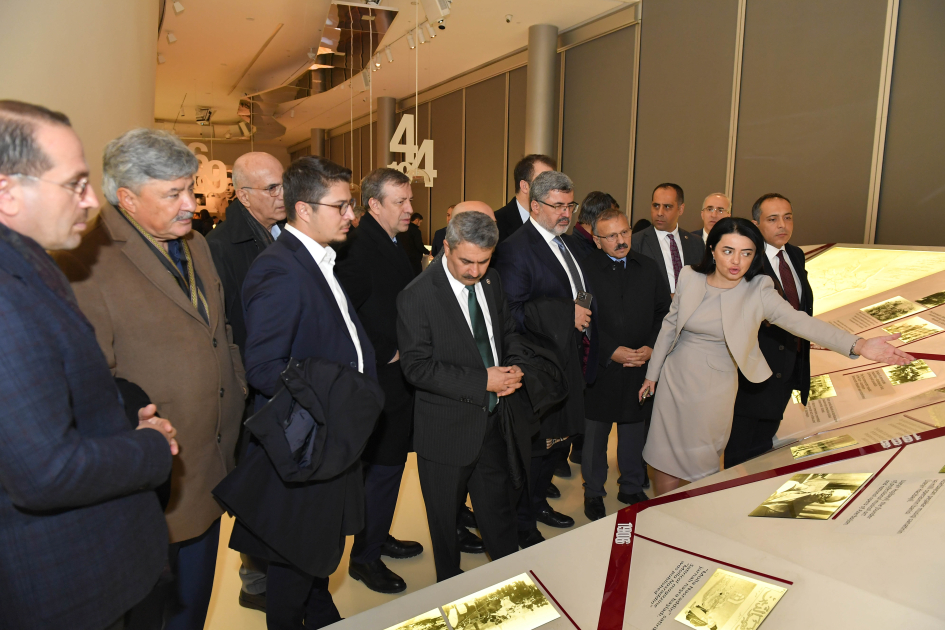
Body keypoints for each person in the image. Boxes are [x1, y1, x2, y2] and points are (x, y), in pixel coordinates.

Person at [54, 128, 247, 629]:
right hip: (152, 482)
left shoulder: (197, 245)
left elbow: (219, 330)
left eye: (190, 189)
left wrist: (237, 390)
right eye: (174, 193)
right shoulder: (85, 261)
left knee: (195, 605)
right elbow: (91, 385)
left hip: (210, 464)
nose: (191, 204)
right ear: (127, 199)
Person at [0, 100, 178, 630]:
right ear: (8, 193)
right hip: (64, 588)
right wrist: (149, 447)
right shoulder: (7, 297)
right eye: (74, 184)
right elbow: (44, 473)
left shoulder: (31, 264)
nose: (92, 199)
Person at [638, 217, 913, 496]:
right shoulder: (689, 277)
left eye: (746, 253)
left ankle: (691, 519)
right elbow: (670, 326)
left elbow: (801, 322)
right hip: (675, 380)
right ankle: (661, 512)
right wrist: (652, 375)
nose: (737, 261)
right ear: (712, 249)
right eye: (728, 251)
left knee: (701, 460)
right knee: (664, 455)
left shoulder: (758, 289)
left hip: (714, 387)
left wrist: (860, 344)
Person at [235, 156, 371, 629]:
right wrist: (333, 400)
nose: (351, 215)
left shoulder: (318, 258)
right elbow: (263, 367)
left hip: (331, 435)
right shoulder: (280, 269)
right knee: (294, 563)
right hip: (309, 438)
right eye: (341, 206)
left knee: (314, 553)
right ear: (304, 209)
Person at [397, 210, 523, 582]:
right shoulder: (417, 295)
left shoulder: (492, 281)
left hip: (492, 424)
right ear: (446, 248)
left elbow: (508, 331)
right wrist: (481, 381)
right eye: (466, 261)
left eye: (483, 261)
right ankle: (447, 593)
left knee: (498, 516)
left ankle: (510, 586)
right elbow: (416, 368)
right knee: (444, 525)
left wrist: (514, 365)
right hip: (445, 432)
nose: (475, 271)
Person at [495, 170, 598, 548]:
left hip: (567, 360)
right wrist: (564, 314)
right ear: (535, 206)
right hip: (538, 367)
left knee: (554, 447)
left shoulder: (563, 242)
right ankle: (523, 525)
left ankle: (536, 506)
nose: (566, 213)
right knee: (535, 452)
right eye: (557, 206)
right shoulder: (516, 249)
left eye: (570, 205)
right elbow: (512, 313)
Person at [335, 168, 424, 594]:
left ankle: (378, 534)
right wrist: (379, 349)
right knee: (383, 469)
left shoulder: (398, 238)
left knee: (387, 470)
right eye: (401, 202)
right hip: (379, 378)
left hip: (398, 374)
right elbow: (340, 312)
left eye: (410, 200)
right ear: (373, 205)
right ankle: (365, 559)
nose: (410, 208)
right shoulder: (356, 246)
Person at [206, 151, 286, 611]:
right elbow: (230, 328)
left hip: (280, 380)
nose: (282, 195)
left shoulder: (277, 230)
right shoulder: (223, 247)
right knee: (257, 486)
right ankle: (255, 580)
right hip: (256, 388)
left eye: (282, 185)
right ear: (243, 194)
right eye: (271, 188)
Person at [581, 207, 670, 520]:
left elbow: (664, 313)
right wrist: (610, 350)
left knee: (634, 428)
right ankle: (593, 491)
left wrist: (651, 347)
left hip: (640, 364)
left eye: (624, 232)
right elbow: (581, 321)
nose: (620, 241)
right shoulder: (584, 269)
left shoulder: (647, 266)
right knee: (595, 435)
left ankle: (631, 485)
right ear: (596, 239)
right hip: (601, 366)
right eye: (611, 236)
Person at [726, 193, 813, 467]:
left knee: (764, 448)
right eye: (773, 219)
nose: (782, 225)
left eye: (787, 218)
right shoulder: (746, 262)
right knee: (740, 453)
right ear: (756, 223)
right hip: (754, 375)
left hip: (788, 369)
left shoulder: (796, 255)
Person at [630, 183, 704, 297]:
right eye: (656, 206)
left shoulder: (696, 242)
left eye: (667, 207)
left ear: (681, 209)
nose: (659, 213)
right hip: (655, 313)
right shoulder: (635, 242)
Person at [495, 154, 555, 244]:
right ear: (524, 186)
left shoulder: (555, 220)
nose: (552, 189)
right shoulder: (496, 225)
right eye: (544, 182)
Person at [564, 191, 618, 262]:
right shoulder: (570, 249)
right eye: (612, 217)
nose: (615, 224)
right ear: (599, 217)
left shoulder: (597, 243)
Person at [399, 211, 426, 276]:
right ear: (417, 220)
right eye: (420, 222)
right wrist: (427, 251)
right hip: (415, 259)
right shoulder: (416, 231)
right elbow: (419, 245)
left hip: (404, 257)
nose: (419, 224)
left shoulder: (403, 229)